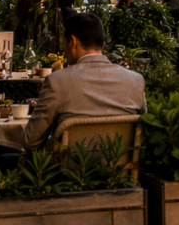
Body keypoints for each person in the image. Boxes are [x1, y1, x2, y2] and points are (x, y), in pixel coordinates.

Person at [22, 13, 146, 150]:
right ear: (103, 46)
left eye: (64, 44)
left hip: (69, 169)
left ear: (73, 42)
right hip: (120, 168)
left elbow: (31, 141)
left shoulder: (57, 81)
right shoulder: (135, 81)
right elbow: (144, 132)